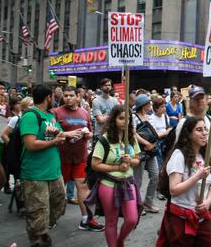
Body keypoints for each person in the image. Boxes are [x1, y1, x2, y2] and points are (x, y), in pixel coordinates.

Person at [20, 84, 82, 247]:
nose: (55, 99)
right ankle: (39, 239)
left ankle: (42, 228)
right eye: (53, 96)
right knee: (38, 213)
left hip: (54, 172)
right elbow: (30, 144)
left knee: (59, 204)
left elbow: (60, 133)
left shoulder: (50, 116)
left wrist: (66, 134)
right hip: (35, 175)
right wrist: (54, 141)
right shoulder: (31, 116)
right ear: (48, 98)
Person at [175, 85, 211, 247]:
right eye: (197, 98)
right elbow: (178, 150)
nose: (201, 101)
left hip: (210, 168)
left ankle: (207, 237)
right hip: (193, 170)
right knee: (195, 206)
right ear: (191, 102)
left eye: (203, 97)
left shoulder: (207, 119)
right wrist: (193, 173)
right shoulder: (185, 123)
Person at [52, 86, 104, 232]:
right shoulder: (56, 112)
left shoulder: (84, 113)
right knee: (57, 190)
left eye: (71, 95)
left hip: (80, 157)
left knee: (83, 187)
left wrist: (89, 135)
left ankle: (86, 220)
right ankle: (51, 217)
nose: (68, 98)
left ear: (78, 97)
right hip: (60, 158)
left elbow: (91, 131)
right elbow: (50, 134)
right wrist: (65, 134)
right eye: (65, 95)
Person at [156, 116, 211, 247]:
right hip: (181, 219)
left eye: (205, 129)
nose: (204, 133)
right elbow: (174, 190)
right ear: (188, 134)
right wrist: (197, 177)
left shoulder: (205, 155)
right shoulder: (178, 156)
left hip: (202, 218)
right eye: (199, 130)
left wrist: (208, 202)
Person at [89, 105, 142, 247]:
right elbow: (95, 164)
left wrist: (130, 160)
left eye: (128, 119)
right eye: (121, 118)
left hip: (128, 183)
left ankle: (120, 240)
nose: (125, 122)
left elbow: (137, 159)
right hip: (108, 184)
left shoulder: (131, 137)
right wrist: (118, 167)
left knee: (132, 219)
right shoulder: (104, 140)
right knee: (111, 221)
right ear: (113, 119)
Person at [133, 94, 160, 214]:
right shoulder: (134, 117)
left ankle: (148, 202)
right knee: (137, 180)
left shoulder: (150, 117)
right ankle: (136, 205)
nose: (151, 105)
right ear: (143, 105)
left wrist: (153, 143)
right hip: (139, 151)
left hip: (151, 151)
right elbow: (133, 134)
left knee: (155, 175)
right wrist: (146, 143)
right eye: (149, 103)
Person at [149, 96, 171, 192]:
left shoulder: (166, 117)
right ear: (156, 108)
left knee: (166, 165)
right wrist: (165, 133)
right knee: (159, 166)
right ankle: (159, 188)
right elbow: (154, 135)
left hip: (165, 144)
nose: (164, 109)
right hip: (157, 145)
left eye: (164, 106)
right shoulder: (151, 118)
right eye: (162, 107)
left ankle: (163, 186)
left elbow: (167, 127)